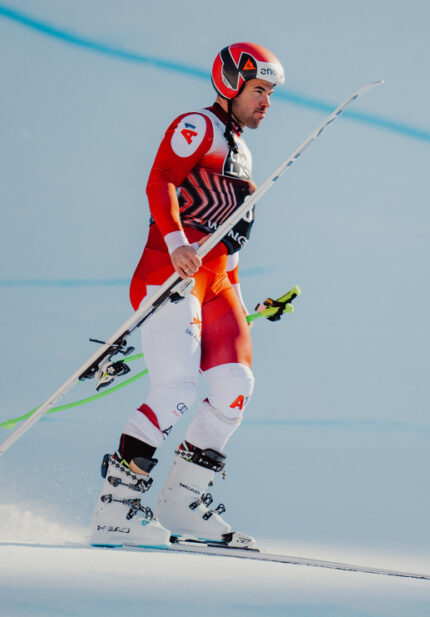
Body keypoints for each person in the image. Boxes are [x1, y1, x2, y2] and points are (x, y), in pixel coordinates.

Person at [90, 42, 285, 549]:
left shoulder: (241, 146)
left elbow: (231, 229)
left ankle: (181, 503)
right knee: (176, 390)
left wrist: (237, 298)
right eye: (259, 90)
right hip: (169, 269)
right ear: (231, 84)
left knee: (234, 389)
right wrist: (177, 242)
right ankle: (115, 512)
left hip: (218, 279)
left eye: (270, 93)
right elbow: (162, 178)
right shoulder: (196, 125)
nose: (267, 102)